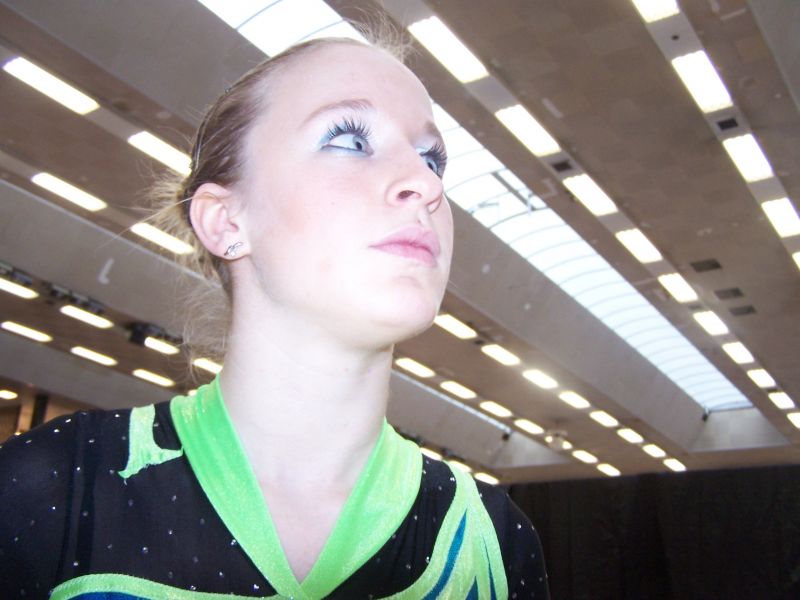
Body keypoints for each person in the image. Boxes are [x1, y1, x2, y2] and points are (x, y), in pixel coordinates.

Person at [0, 34, 550, 599]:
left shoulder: (492, 542)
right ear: (226, 222)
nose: (427, 184)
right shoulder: (52, 486)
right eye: (350, 139)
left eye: (432, 159)